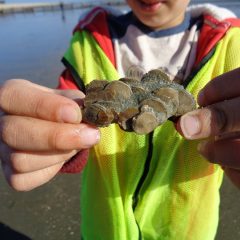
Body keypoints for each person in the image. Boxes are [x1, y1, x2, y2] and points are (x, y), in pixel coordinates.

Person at [0, 0, 240, 239]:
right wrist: (52, 138)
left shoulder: (231, 46)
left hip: (187, 228)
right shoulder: (89, 42)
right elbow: (67, 109)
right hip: (105, 228)